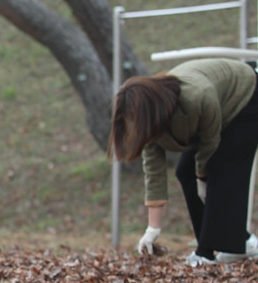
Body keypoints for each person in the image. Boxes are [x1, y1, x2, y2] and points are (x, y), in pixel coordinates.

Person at [109, 57, 258, 266]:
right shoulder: (151, 122)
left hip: (244, 95)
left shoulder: (195, 98)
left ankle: (206, 254)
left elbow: (210, 143)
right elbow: (154, 173)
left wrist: (203, 178)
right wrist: (153, 229)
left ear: (150, 109)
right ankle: (239, 243)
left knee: (219, 170)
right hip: (216, 108)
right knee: (185, 173)